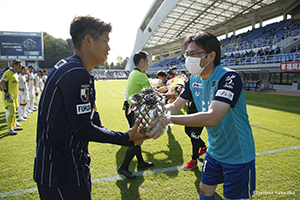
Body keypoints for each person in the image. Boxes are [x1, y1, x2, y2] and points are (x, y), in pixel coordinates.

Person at [33, 15, 166, 200]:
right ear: (88, 40)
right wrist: (127, 137)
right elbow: (83, 130)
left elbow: (92, 123)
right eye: (105, 41)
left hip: (67, 167)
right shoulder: (76, 73)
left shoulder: (76, 70)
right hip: (62, 173)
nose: (109, 48)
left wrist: (130, 137)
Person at [164, 31, 256, 200]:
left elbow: (213, 117)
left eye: (194, 54)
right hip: (214, 151)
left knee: (231, 197)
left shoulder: (229, 77)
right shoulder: (193, 79)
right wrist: (157, 111)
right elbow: (176, 106)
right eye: (187, 54)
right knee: (205, 189)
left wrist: (167, 120)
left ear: (211, 56)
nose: (188, 58)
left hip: (238, 153)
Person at [118, 50, 154, 179]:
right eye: (147, 61)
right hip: (134, 110)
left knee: (137, 137)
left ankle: (140, 162)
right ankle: (124, 167)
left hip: (130, 109)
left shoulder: (135, 73)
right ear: (142, 61)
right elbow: (151, 94)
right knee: (137, 139)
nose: (149, 63)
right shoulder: (141, 76)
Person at [1, 59, 24, 135]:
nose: (20, 67)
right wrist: (6, 93)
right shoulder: (8, 73)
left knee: (14, 112)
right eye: (19, 65)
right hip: (9, 97)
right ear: (14, 65)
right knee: (11, 113)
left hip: (14, 97)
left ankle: (13, 126)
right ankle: (9, 129)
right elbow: (3, 82)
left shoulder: (15, 74)